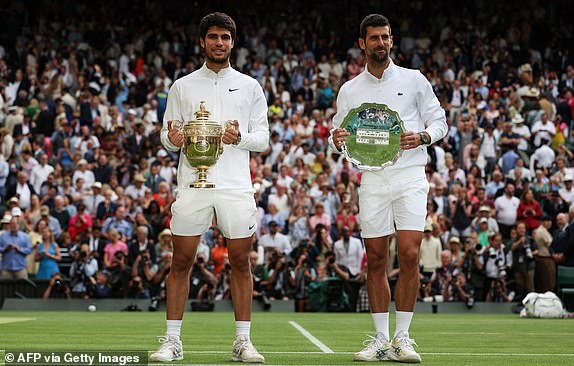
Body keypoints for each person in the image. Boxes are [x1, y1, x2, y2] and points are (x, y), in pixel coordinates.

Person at [150, 12, 269, 363]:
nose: (220, 43)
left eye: (226, 37)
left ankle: (243, 342)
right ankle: (172, 341)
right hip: (192, 183)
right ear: (202, 41)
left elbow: (262, 139)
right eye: (213, 37)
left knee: (240, 262)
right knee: (181, 260)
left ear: (233, 42)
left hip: (235, 185)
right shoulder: (183, 86)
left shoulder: (250, 86)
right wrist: (172, 139)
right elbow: (168, 135)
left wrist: (240, 137)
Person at [329, 14, 447, 363]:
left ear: (392, 41)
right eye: (374, 38)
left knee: (410, 254)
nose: (381, 43)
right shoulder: (349, 89)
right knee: (377, 259)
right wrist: (337, 140)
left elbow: (440, 121)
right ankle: (380, 338)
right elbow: (340, 135)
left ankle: (403, 338)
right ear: (362, 43)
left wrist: (424, 136)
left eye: (386, 37)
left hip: (410, 175)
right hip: (373, 181)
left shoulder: (414, 80)